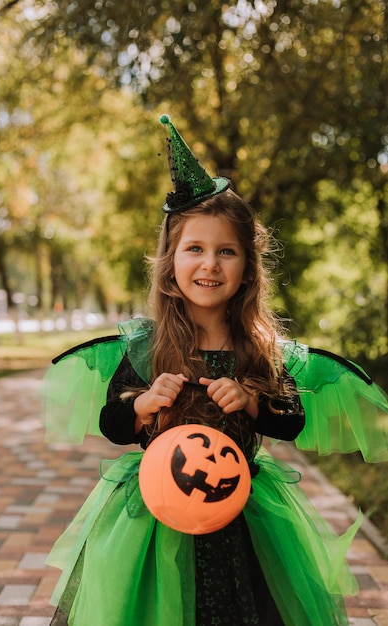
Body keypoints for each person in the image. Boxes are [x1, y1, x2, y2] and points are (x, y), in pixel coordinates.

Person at [42, 114, 388, 626]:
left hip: (241, 511)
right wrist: (141, 405)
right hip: (155, 513)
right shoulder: (147, 345)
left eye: (226, 251)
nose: (210, 265)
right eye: (195, 250)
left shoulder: (260, 347)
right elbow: (112, 423)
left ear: (248, 266)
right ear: (171, 261)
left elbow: (290, 418)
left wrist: (252, 402)